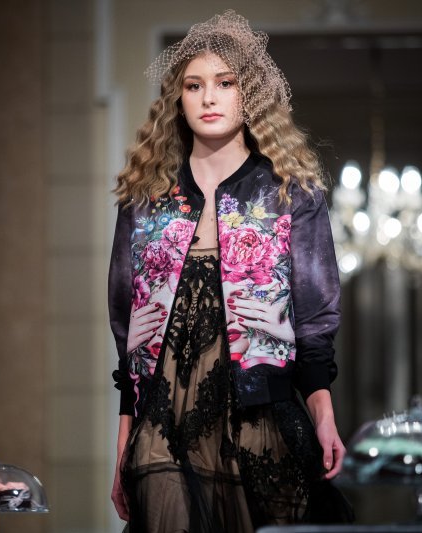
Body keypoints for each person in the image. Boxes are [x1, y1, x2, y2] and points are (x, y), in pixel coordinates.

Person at [108, 10, 352, 532]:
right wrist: (124, 442)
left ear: (251, 94)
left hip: (258, 415)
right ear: (179, 99)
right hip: (162, 426)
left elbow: (315, 320)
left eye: (225, 83)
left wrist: (324, 415)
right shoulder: (146, 200)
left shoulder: (290, 193)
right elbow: (128, 332)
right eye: (194, 85)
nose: (209, 98)